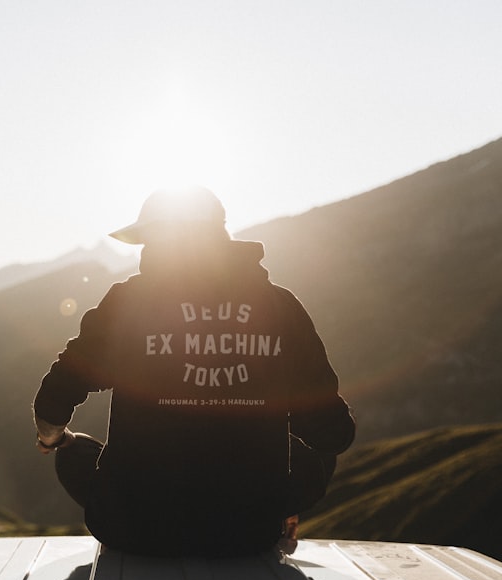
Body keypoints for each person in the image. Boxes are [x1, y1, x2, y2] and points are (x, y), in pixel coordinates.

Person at [32, 186, 355, 557]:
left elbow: (52, 401)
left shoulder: (127, 303)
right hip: (247, 534)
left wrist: (52, 439)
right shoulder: (281, 307)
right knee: (309, 449)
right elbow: (333, 436)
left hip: (134, 529)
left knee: (75, 451)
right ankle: (275, 511)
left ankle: (69, 447)